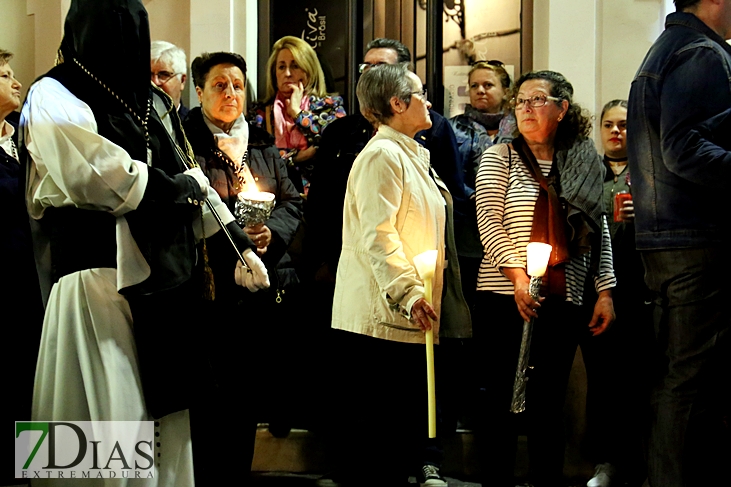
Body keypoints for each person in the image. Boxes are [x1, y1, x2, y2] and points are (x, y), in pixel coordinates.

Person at [21, 1, 269, 485]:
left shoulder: (150, 101)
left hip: (161, 290)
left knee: (161, 432)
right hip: (94, 279)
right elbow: (88, 172)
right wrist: (171, 189)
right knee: (102, 422)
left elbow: (188, 170)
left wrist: (236, 241)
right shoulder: (52, 90)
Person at [474, 70, 616, 487]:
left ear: (562, 108)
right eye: (520, 101)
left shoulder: (583, 162)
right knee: (498, 397)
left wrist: (604, 291)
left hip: (562, 298)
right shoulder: (499, 156)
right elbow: (489, 223)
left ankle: (545, 481)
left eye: (537, 100)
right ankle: (496, 480)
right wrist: (518, 278)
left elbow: (599, 232)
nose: (526, 108)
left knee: (548, 401)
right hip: (503, 295)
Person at [182, 50, 303, 476]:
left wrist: (274, 233)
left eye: (237, 84)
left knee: (247, 396)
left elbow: (292, 200)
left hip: (260, 291)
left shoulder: (263, 145)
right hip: (209, 289)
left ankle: (238, 473)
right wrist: (234, 235)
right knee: (210, 396)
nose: (231, 93)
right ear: (198, 92)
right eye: (219, 85)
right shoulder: (185, 146)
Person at [627, 1, 731, 485]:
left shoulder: (668, 49)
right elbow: (685, 148)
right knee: (691, 384)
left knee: (678, 379)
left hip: (670, 237)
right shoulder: (701, 53)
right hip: (697, 238)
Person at [331, 62, 446, 487]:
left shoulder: (408, 153)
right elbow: (379, 235)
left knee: (396, 435)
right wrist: (411, 293)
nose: (428, 100)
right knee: (377, 439)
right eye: (420, 94)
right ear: (397, 104)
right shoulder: (382, 155)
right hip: (380, 315)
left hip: (401, 312)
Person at [581, 99, 652, 487]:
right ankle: (604, 462)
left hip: (642, 285)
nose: (615, 132)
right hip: (597, 286)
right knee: (603, 378)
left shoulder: (649, 169)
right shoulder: (588, 170)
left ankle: (641, 462)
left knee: (641, 378)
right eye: (608, 124)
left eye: (623, 125)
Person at [1, 48, 44, 486]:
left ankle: (31, 475)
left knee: (31, 392)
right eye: (4, 75)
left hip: (31, 284)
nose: (16, 83)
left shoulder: (20, 138)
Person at [449, 60, 516, 309]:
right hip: (465, 227)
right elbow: (446, 171)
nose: (480, 90)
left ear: (506, 91)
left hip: (511, 228)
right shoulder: (453, 127)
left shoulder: (521, 128)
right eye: (474, 85)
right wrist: (473, 196)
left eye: (488, 84)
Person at [249, 35, 346, 194]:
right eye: (281, 67)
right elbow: (258, 160)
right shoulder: (260, 112)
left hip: (320, 198)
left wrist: (298, 113)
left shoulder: (331, 105)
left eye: (295, 66)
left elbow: (333, 147)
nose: (287, 73)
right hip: (275, 200)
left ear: (309, 69)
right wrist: (295, 158)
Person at [150, 40, 189, 119]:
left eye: (164, 75)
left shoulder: (196, 127)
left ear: (182, 81)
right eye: (148, 75)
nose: (154, 82)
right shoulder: (129, 125)